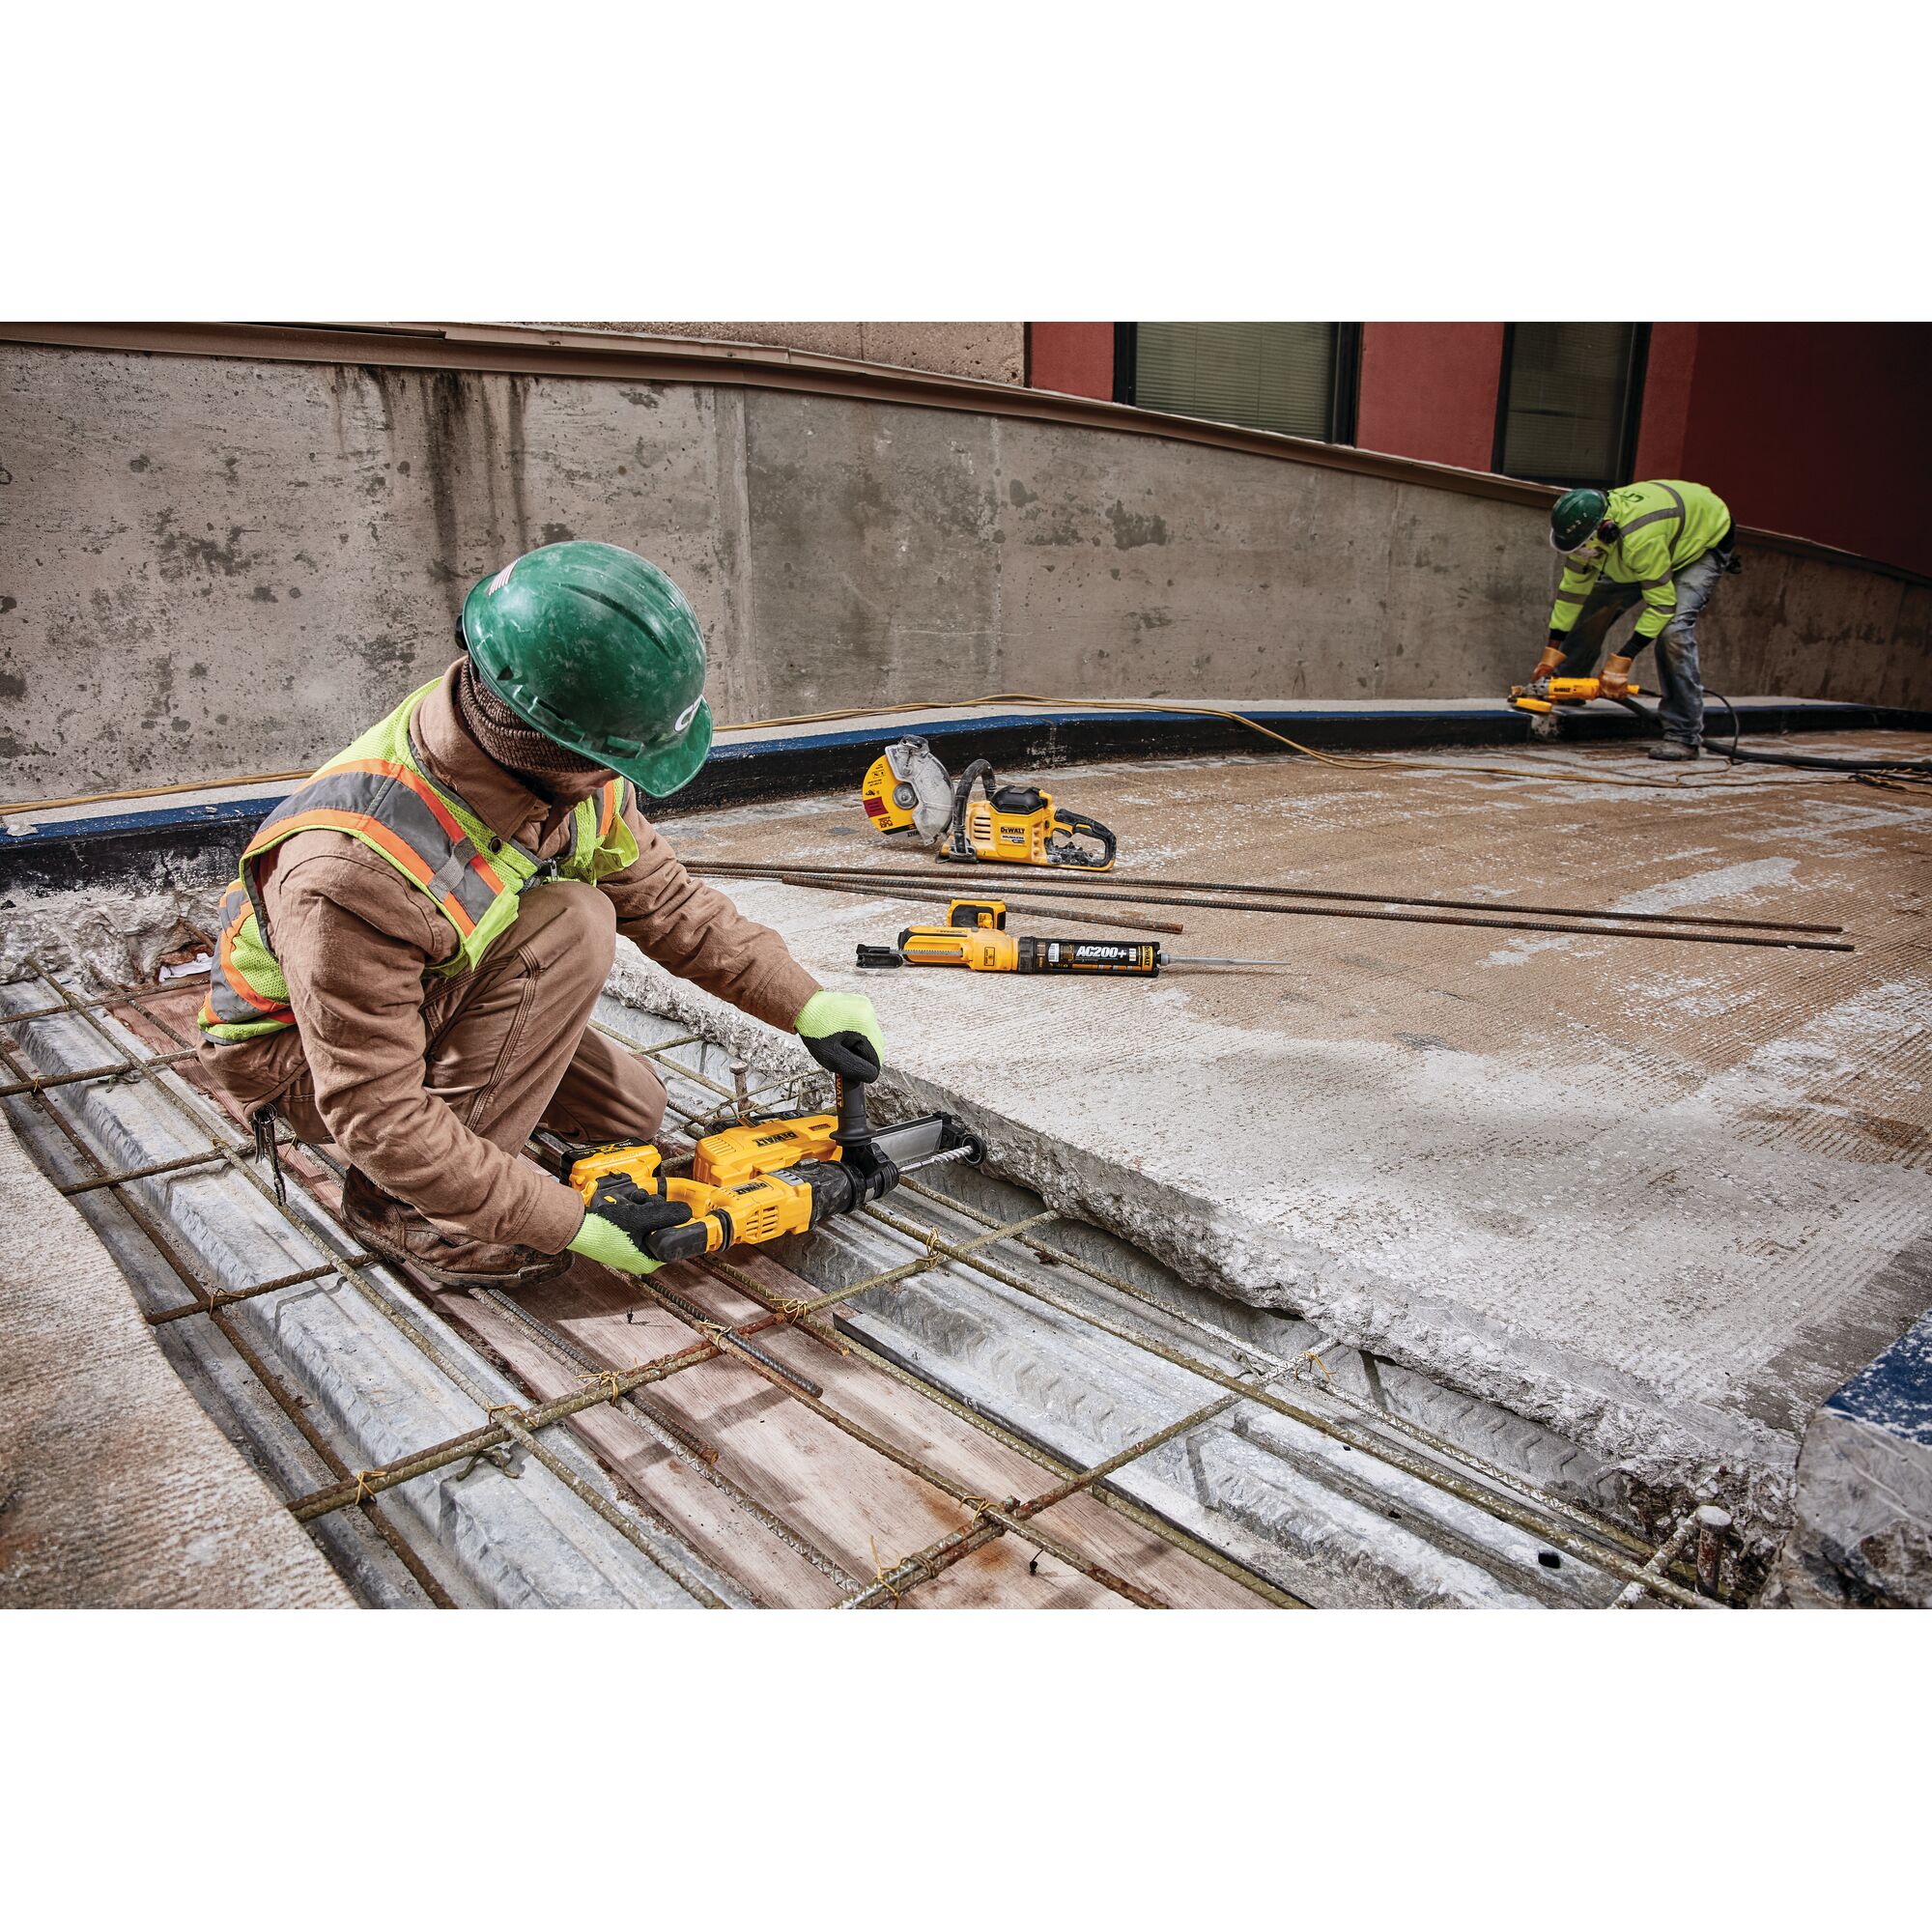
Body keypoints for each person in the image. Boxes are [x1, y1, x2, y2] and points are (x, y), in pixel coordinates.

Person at [195, 540, 883, 1287]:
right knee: (572, 922)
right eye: (616, 765)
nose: (622, 787)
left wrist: (804, 1001)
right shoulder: (350, 869)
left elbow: (666, 902)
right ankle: (408, 1213)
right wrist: (564, 1221)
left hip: (424, 986)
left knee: (630, 1116)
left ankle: (473, 1155)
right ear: (547, 743)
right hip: (291, 1053)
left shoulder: (566, 769)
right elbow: (377, 1112)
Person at [1526, 479, 1739, 759]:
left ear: (1605, 531)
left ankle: (1684, 734)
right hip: (1651, 542)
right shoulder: (1585, 536)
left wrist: (1621, 661)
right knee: (1595, 605)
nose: (1579, 556)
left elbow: (1661, 605)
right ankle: (1568, 685)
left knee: (1673, 631)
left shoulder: (1640, 540)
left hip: (1701, 540)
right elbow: (1572, 595)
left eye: (1582, 549)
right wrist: (1551, 653)